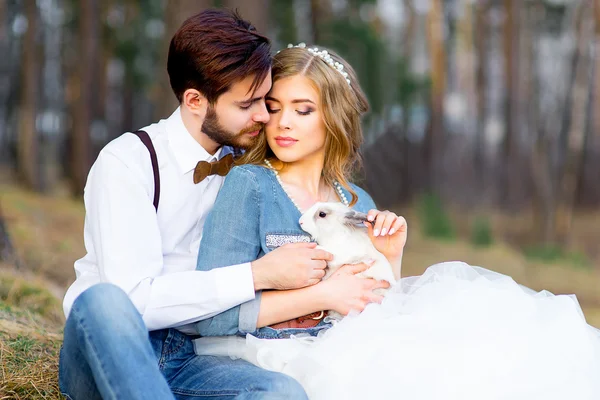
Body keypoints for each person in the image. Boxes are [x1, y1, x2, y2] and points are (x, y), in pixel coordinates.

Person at [193, 44, 600, 400]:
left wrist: (391, 257)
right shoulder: (251, 185)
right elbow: (209, 314)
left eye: (303, 110)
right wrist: (321, 297)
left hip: (349, 347)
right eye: (275, 108)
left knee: (475, 361)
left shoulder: (356, 201)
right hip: (268, 356)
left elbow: (379, 304)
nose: (283, 123)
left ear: (333, 116)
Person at [58, 10, 381, 400]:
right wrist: (256, 275)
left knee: (280, 392)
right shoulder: (128, 162)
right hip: (109, 347)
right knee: (106, 301)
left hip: (195, 358)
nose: (265, 117)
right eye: (250, 105)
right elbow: (135, 301)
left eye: (266, 101)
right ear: (195, 100)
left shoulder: (252, 170)